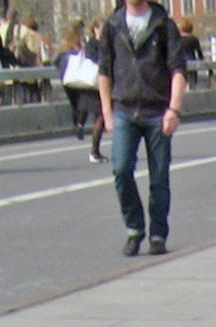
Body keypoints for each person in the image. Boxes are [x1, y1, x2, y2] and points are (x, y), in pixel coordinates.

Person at [97, 0, 188, 256]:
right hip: (124, 109)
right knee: (121, 169)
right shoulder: (113, 25)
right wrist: (106, 111)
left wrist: (174, 108)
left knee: (159, 176)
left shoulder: (164, 25)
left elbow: (178, 70)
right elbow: (104, 71)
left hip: (157, 110)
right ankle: (134, 228)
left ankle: (157, 233)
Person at [61, 21, 106, 159]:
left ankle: (82, 129)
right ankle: (94, 151)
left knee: (97, 115)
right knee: (99, 116)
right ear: (95, 29)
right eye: (101, 27)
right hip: (91, 84)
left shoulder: (106, 43)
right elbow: (92, 59)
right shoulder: (91, 44)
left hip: (99, 84)